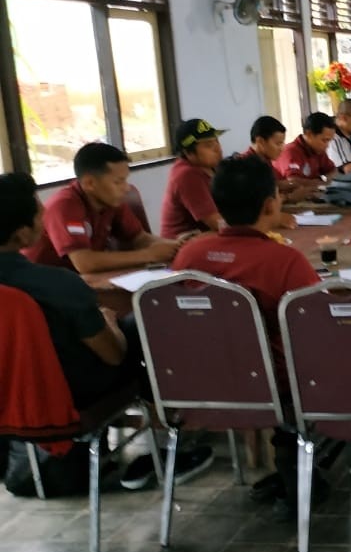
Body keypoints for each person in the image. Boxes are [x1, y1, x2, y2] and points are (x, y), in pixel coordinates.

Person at [1, 173, 213, 487]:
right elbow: (113, 356)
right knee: (143, 328)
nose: (45, 215)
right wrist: (110, 323)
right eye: (38, 212)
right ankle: (169, 445)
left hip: (11, 390)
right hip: (70, 392)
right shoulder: (60, 285)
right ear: (21, 234)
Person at [171, 156, 322, 514]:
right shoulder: (285, 261)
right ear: (271, 204)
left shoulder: (188, 255)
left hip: (196, 386)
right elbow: (314, 327)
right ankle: (300, 467)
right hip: (274, 388)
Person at [23, 142, 181, 273]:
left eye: (125, 180)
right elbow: (84, 263)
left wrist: (176, 246)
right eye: (118, 182)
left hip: (80, 278)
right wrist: (148, 255)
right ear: (89, 183)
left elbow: (140, 238)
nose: (126, 188)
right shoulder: (64, 206)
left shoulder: (111, 201)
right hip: (46, 285)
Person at [160, 118, 226, 239]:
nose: (218, 149)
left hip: (205, 236)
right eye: (209, 145)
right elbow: (216, 223)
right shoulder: (187, 175)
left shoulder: (212, 167)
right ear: (188, 153)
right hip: (180, 245)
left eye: (217, 141)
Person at [244, 115, 318, 204]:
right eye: (278, 144)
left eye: (282, 143)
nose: (282, 148)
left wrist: (282, 185)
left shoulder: (264, 160)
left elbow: (267, 187)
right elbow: (257, 203)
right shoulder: (245, 166)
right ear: (260, 141)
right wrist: (289, 198)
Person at [276, 111, 338, 182]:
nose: (327, 145)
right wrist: (321, 182)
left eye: (329, 141)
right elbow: (293, 181)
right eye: (324, 140)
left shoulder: (318, 150)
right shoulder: (291, 152)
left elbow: (333, 171)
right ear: (309, 134)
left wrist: (320, 181)